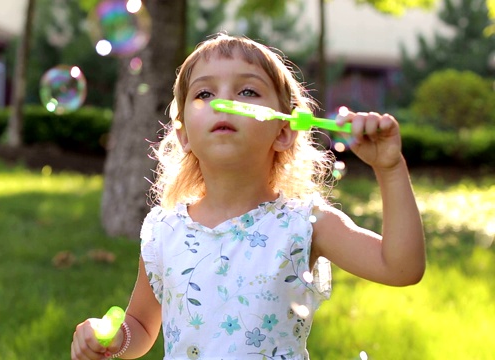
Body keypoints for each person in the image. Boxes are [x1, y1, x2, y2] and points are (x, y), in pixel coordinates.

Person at [71, 33, 425, 360]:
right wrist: (115, 339)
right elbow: (142, 325)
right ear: (184, 136)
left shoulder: (304, 223)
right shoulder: (164, 231)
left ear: (284, 131)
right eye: (204, 94)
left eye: (247, 92)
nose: (223, 103)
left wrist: (390, 169)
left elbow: (402, 267)